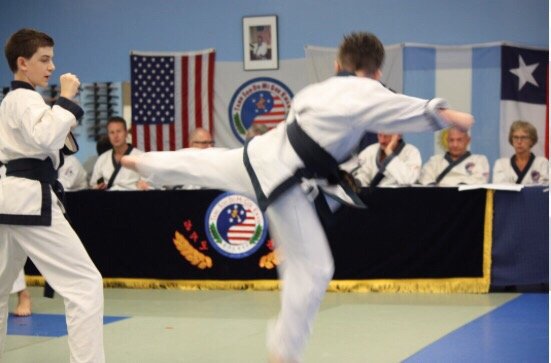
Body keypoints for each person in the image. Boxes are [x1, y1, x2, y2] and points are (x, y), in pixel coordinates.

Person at [121, 32, 474, 363]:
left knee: (205, 162)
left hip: (259, 154)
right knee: (316, 268)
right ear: (376, 72)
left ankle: (146, 162)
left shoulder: (314, 91)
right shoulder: (367, 92)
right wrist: (450, 115)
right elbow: (413, 110)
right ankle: (284, 350)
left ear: (337, 65)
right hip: (284, 181)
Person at [0, 28, 104, 362]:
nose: (51, 66)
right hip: (30, 200)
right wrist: (68, 98)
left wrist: (59, 109)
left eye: (52, 59)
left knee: (1, 289)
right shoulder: (25, 98)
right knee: (85, 285)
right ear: (22, 63)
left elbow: (54, 144)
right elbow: (47, 137)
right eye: (43, 59)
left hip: (7, 200)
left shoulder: (14, 101)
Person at [90, 116, 149, 190]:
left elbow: (148, 183)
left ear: (126, 133)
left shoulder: (140, 157)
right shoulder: (102, 159)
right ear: (108, 135)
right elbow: (94, 184)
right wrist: (97, 187)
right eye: (112, 132)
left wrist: (144, 186)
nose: (115, 136)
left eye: (119, 131)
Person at [418, 127, 489, 186]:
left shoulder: (479, 160)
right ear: (447, 141)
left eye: (459, 140)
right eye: (451, 140)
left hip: (466, 198)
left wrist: (458, 189)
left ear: (468, 140)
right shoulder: (435, 160)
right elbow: (425, 178)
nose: (455, 145)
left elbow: (480, 179)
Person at [351, 133, 422, 187]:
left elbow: (408, 180)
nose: (382, 141)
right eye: (380, 135)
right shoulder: (369, 151)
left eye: (386, 136)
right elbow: (363, 176)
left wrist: (389, 154)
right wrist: (356, 182)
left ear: (398, 135)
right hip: (373, 200)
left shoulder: (411, 152)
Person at [493, 120, 549, 185]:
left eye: (524, 137)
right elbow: (499, 189)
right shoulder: (501, 164)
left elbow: (545, 189)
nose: (519, 142)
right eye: (516, 137)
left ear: (532, 140)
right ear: (512, 140)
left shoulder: (541, 163)